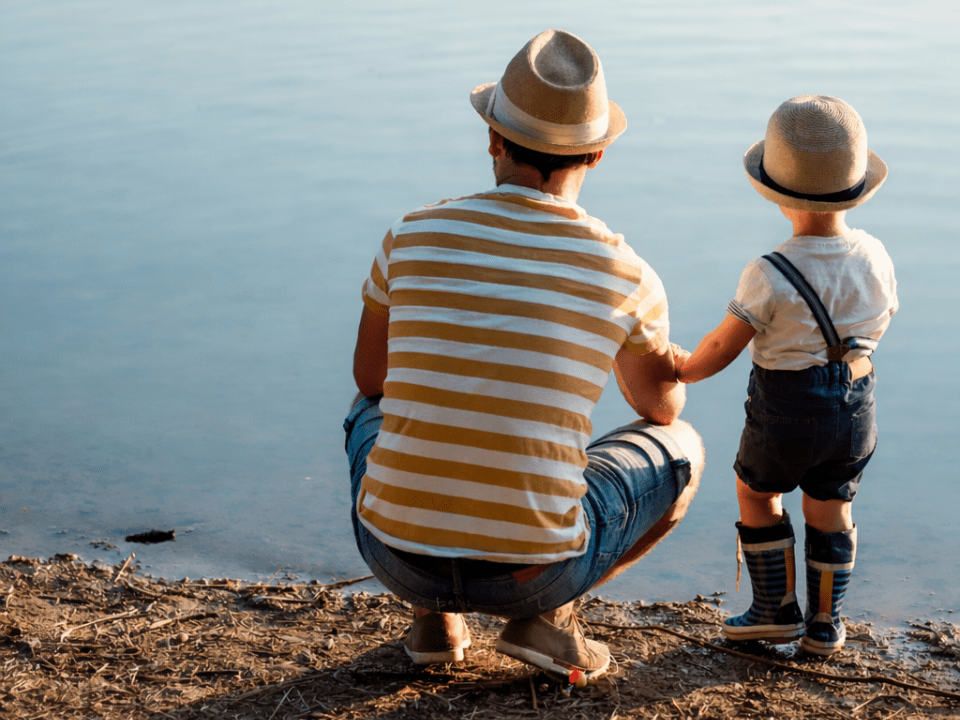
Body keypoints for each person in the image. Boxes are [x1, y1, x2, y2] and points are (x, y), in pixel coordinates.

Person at [344, 29, 704, 683]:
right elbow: (658, 407)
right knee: (684, 447)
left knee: (367, 411)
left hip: (394, 556)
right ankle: (549, 617)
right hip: (533, 573)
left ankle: (434, 618)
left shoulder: (411, 234)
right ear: (595, 155)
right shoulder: (626, 272)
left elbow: (371, 379)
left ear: (492, 138)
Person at [673, 95, 897, 655]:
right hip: (856, 402)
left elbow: (723, 347)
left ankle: (774, 610)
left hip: (785, 409)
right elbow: (884, 317)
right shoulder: (874, 256)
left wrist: (682, 368)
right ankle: (826, 624)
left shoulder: (768, 273)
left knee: (757, 490)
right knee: (832, 503)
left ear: (776, 195)